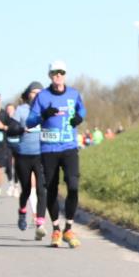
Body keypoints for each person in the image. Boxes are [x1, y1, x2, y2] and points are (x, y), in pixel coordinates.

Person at [26, 60, 86, 248]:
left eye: (61, 72)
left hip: (68, 147)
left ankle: (68, 227)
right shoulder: (42, 97)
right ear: (50, 76)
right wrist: (43, 115)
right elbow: (29, 121)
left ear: (65, 74)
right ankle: (56, 229)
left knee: (73, 185)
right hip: (49, 149)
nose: (58, 75)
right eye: (54, 73)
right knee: (51, 189)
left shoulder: (74, 94)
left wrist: (79, 117)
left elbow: (82, 109)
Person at [8, 81, 48, 239]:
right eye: (33, 92)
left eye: (40, 92)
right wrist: (21, 129)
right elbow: (11, 129)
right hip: (23, 155)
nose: (36, 94)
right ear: (28, 94)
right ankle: (22, 211)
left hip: (41, 154)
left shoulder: (45, 110)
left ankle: (40, 224)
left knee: (41, 189)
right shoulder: (21, 110)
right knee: (25, 190)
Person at [5, 102, 19, 198]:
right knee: (8, 165)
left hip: (18, 145)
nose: (10, 111)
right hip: (7, 145)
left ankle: (16, 185)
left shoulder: (18, 120)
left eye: (11, 109)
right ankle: (10, 184)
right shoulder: (4, 120)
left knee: (17, 166)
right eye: (8, 109)